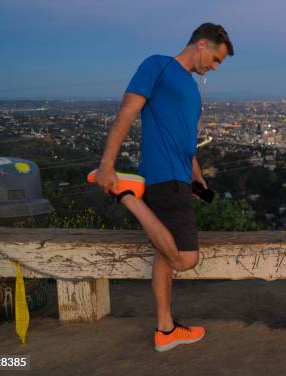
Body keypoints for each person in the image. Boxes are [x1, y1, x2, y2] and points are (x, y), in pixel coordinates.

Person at [93, 23, 234, 351]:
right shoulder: (157, 65)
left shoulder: (190, 88)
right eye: (215, 59)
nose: (214, 67)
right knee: (185, 259)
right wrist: (107, 165)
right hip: (164, 178)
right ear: (201, 44)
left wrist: (196, 173)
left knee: (164, 254)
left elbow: (184, 139)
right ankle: (127, 196)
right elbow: (126, 114)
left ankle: (166, 330)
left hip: (180, 177)